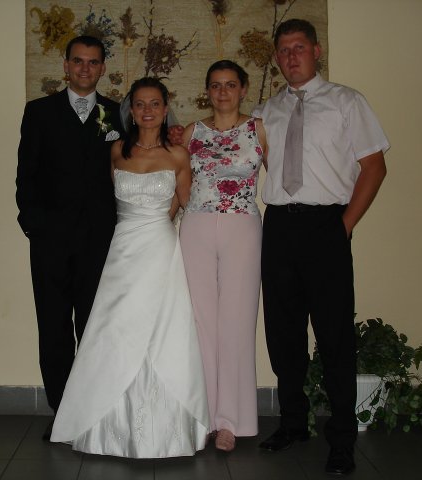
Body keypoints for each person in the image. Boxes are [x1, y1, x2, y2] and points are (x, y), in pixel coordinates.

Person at [254, 19, 389, 476]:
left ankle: (343, 440)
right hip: (279, 227)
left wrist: (344, 226)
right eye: (284, 50)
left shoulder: (347, 101)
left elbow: (374, 167)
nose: (291, 56)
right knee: (283, 334)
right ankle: (293, 424)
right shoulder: (265, 111)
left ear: (316, 51)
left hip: (327, 225)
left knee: (334, 336)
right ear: (277, 57)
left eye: (299, 47)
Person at [50, 77, 209, 458]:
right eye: (140, 104)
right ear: (131, 111)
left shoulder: (178, 155)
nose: (147, 110)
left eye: (154, 103)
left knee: (162, 330)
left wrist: (160, 225)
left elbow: (185, 202)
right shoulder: (117, 150)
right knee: (116, 328)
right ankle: (105, 422)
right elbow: (110, 198)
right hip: (123, 248)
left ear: (165, 108)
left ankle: (170, 428)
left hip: (160, 247)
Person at [15, 35, 123, 439]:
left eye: (93, 62)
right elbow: (26, 175)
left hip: (99, 242)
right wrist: (35, 226)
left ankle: (92, 411)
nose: (85, 68)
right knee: (54, 327)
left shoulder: (117, 113)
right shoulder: (39, 112)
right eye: (78, 61)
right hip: (51, 243)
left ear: (102, 68)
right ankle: (62, 412)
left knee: (95, 326)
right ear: (65, 66)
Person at [179, 60, 267, 452]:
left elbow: (283, 180)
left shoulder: (259, 129)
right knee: (200, 322)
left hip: (242, 227)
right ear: (207, 91)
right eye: (216, 85)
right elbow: (179, 181)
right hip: (196, 226)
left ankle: (230, 422)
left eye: (231, 84)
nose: (223, 92)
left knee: (236, 322)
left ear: (243, 89)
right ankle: (203, 416)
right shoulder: (192, 132)